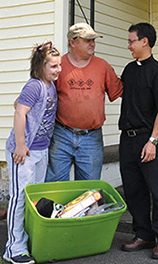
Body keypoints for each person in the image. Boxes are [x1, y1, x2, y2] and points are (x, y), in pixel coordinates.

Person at [119, 22, 158, 259]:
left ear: (144, 41)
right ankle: (144, 234)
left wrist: (152, 140)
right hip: (127, 139)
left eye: (131, 40)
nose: (128, 45)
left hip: (148, 138)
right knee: (133, 190)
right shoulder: (129, 70)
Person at [3, 41, 61, 264]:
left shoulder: (49, 85)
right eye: (53, 66)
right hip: (24, 153)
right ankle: (13, 249)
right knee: (19, 199)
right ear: (40, 66)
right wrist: (20, 143)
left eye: (59, 65)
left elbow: (18, 102)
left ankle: (28, 243)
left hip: (40, 150)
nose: (58, 70)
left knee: (33, 199)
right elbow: (20, 113)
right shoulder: (35, 85)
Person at [45, 23, 123, 182]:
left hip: (91, 138)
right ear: (73, 42)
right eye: (88, 40)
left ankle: (86, 209)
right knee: (56, 184)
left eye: (93, 40)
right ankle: (57, 208)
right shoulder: (58, 66)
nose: (92, 44)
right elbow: (43, 96)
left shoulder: (103, 66)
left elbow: (121, 92)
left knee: (89, 188)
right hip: (61, 134)